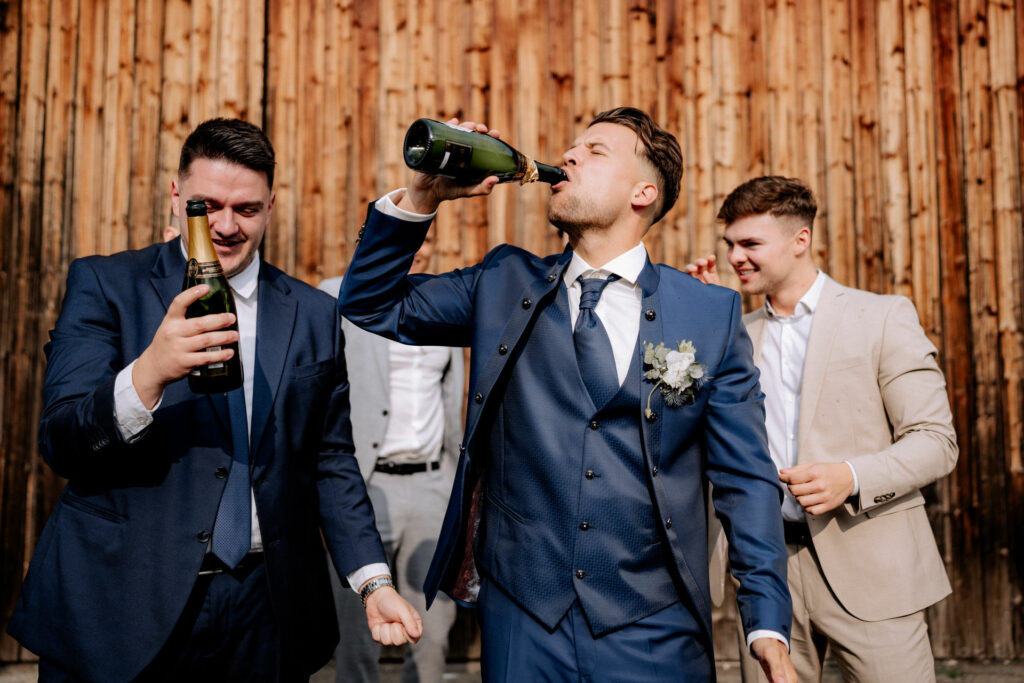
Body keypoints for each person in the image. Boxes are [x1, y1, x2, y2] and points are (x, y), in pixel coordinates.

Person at [338, 108, 797, 682]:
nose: (570, 155)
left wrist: (766, 624)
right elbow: (370, 303)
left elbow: (744, 478)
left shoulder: (709, 312)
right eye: (574, 147)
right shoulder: (503, 281)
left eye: (596, 151)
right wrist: (421, 197)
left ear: (643, 193)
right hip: (523, 619)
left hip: (656, 625)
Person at [7, 118, 422, 682]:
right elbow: (62, 442)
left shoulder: (314, 314)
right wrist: (149, 373)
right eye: (207, 207)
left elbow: (330, 459)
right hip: (119, 603)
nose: (226, 226)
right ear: (176, 196)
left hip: (265, 610)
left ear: (270, 207)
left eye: (246, 209)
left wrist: (373, 582)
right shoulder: (106, 285)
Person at [689, 176, 958, 682]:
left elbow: (935, 441)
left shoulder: (883, 316)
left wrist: (851, 476)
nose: (735, 257)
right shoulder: (733, 334)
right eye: (730, 244)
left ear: (801, 240)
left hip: (872, 563)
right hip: (765, 572)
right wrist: (700, 324)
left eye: (750, 244)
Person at [319, 227, 464, 683]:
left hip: (433, 484)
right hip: (365, 482)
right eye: (406, 237)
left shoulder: (446, 303)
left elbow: (450, 395)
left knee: (433, 626)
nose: (416, 248)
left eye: (426, 239)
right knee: (358, 630)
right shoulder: (335, 297)